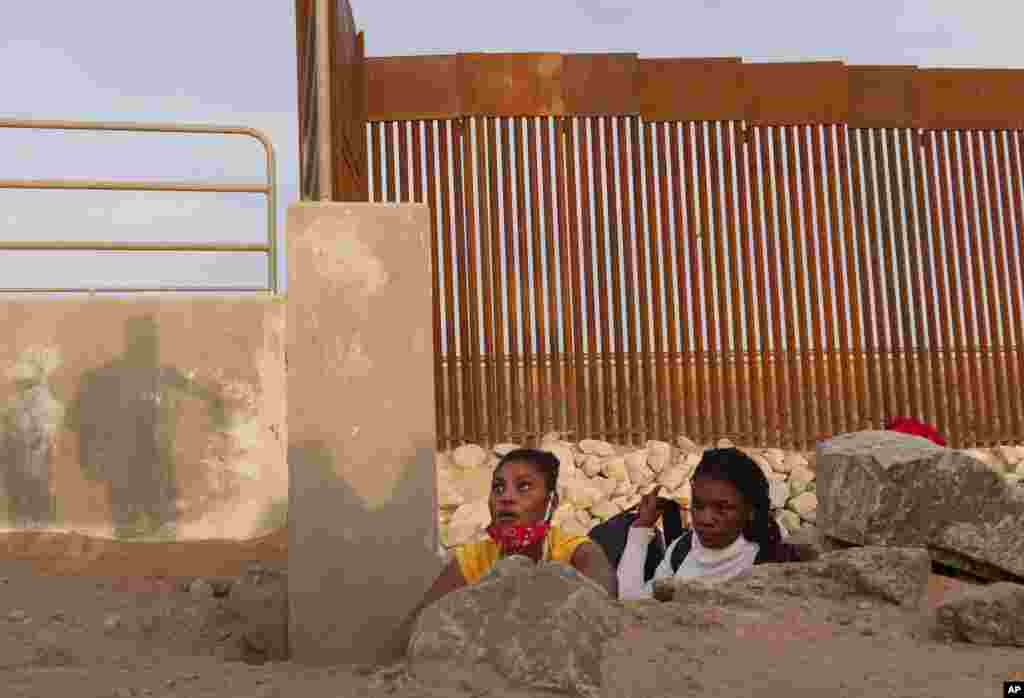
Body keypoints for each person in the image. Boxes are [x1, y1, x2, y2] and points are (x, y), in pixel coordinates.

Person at [396, 448, 617, 644]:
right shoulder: (473, 559)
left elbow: (602, 604)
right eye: (498, 488)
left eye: (524, 486)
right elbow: (415, 628)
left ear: (552, 502)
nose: (506, 497)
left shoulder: (576, 552)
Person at [618, 447, 815, 601]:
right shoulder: (682, 549)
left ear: (750, 511)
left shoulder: (769, 560)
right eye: (698, 505)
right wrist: (641, 528)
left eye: (722, 508)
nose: (705, 519)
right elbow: (632, 605)